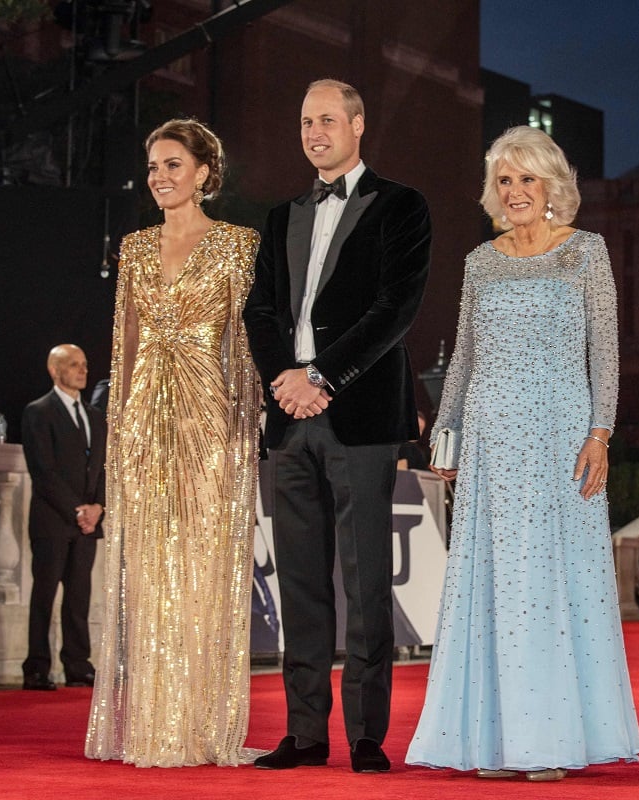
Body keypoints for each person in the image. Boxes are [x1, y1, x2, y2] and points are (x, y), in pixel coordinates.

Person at [404, 125, 639, 782]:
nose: (514, 192)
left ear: (552, 186)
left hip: (563, 437)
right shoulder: (481, 261)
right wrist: (445, 430)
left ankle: (550, 738)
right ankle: (495, 741)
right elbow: (465, 356)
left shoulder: (586, 253)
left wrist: (601, 433)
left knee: (551, 584)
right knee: (496, 584)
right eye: (505, 181)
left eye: (526, 179)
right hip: (491, 441)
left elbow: (606, 352)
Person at [242, 78, 432, 774]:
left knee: (367, 580)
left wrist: (323, 376)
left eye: (326, 119)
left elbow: (395, 310)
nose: (313, 131)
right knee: (300, 582)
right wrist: (284, 382)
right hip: (289, 422)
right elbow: (259, 312)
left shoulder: (402, 206)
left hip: (359, 417)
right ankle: (305, 733)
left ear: (357, 124)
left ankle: (368, 736)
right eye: (304, 121)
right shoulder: (280, 215)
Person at [85, 119, 261, 767]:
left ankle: (201, 727)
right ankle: (153, 728)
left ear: (205, 173)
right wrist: (120, 428)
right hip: (142, 420)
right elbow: (125, 342)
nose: (160, 176)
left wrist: (248, 419)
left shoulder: (239, 245)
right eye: (153, 166)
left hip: (209, 413)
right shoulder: (133, 248)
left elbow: (245, 342)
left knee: (202, 564)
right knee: (150, 570)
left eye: (173, 165)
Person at [20, 344, 106, 691]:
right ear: (56, 371)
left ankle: (78, 664)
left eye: (85, 364)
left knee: (79, 596)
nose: (83, 370)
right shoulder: (38, 412)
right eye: (74, 365)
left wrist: (99, 507)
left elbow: (102, 467)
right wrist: (78, 510)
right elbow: (43, 470)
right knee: (44, 594)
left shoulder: (95, 416)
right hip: (52, 520)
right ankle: (37, 667)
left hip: (88, 524)